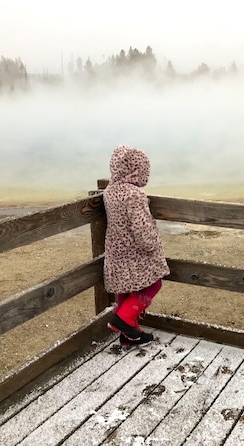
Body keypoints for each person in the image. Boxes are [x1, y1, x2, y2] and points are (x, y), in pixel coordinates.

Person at [103, 145, 170, 346]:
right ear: (136, 170)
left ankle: (128, 335)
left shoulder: (109, 191)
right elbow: (142, 228)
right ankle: (123, 320)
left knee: (126, 287)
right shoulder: (134, 195)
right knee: (154, 283)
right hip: (135, 252)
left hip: (117, 250)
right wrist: (152, 245)